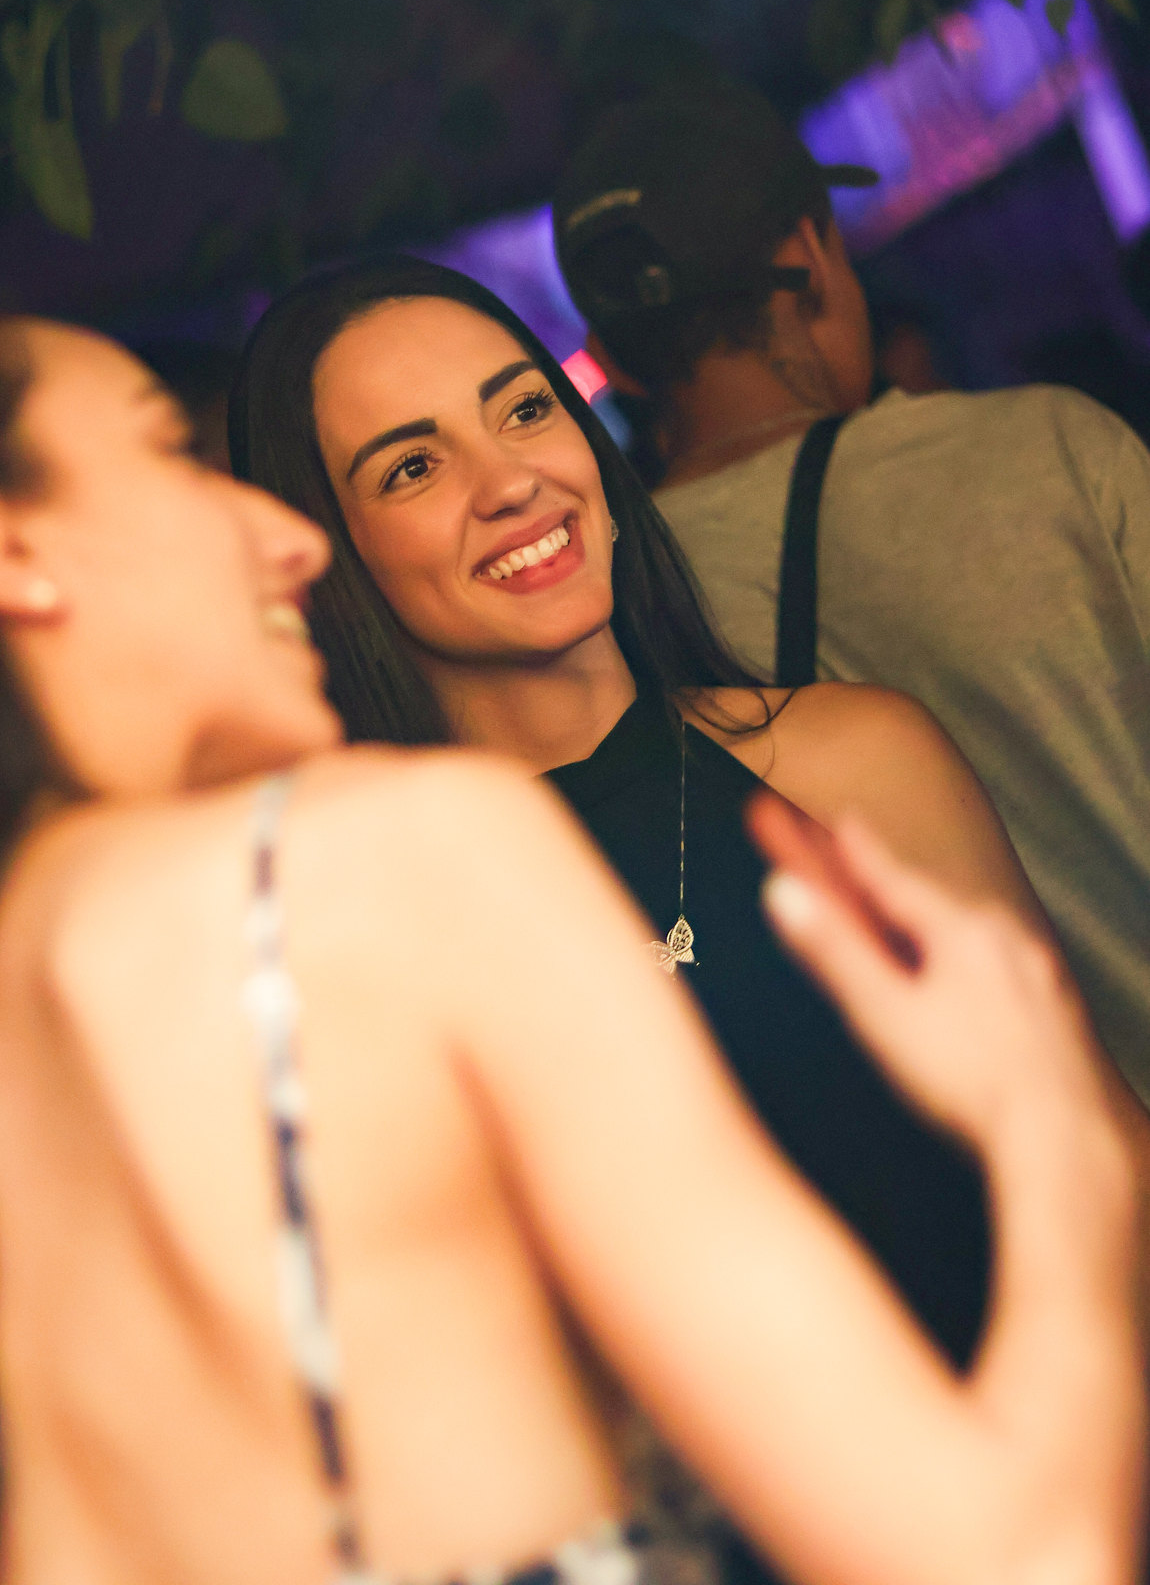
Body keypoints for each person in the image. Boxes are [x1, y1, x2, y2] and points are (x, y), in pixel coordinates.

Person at [0, 312, 1144, 1585]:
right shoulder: (398, 856)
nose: (286, 543)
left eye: (528, 407)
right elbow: (1012, 1552)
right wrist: (1048, 1135)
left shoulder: (53, 962)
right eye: (171, 454)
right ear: (16, 553)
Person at [228, 255, 1150, 1402]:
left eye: (525, 409)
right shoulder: (361, 934)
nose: (508, 480)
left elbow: (1101, 1154)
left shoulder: (851, 763)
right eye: (413, 466)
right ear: (325, 550)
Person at [551, 78, 1150, 1109]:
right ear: (812, 254)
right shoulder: (1049, 451)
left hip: (952, 1189)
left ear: (616, 366)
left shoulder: (607, 607)